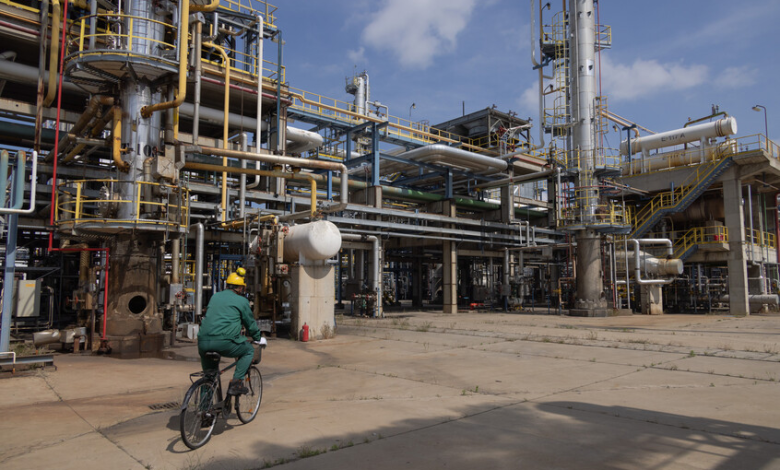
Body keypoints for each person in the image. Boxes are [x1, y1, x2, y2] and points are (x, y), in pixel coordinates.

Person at [197, 268, 262, 395]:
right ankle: (236, 383)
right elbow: (250, 324)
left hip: (203, 342)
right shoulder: (242, 301)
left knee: (209, 376)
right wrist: (257, 337)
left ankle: (204, 406)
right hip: (225, 342)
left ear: (227, 285)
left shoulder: (215, 297)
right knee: (248, 350)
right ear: (241, 288)